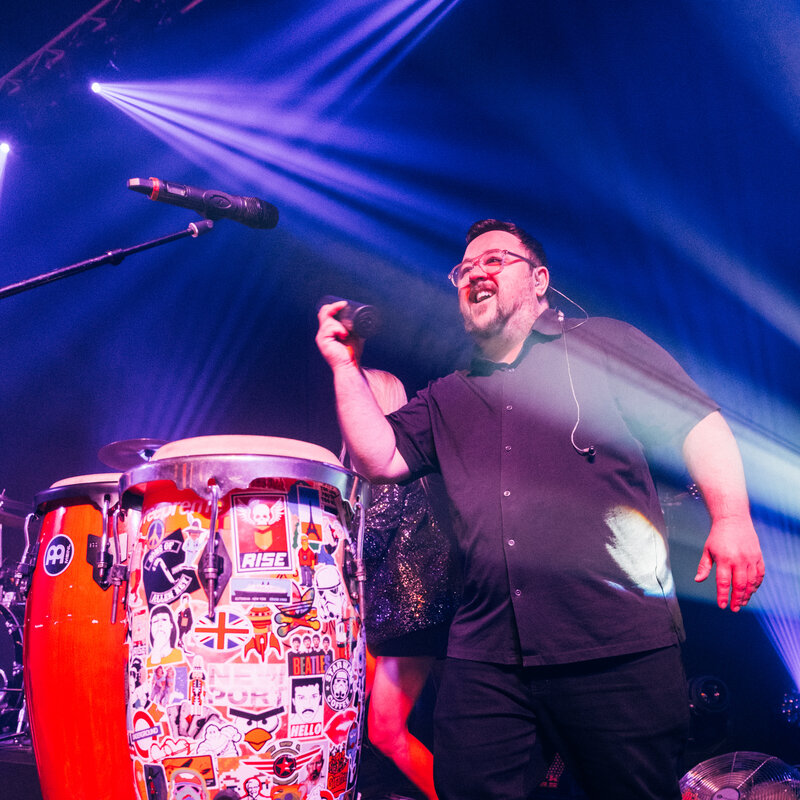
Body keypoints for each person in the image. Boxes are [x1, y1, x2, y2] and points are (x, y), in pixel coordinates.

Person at [316, 219, 765, 800]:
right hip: (487, 656)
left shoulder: (603, 344)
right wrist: (344, 366)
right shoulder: (449, 395)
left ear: (539, 280)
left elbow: (695, 422)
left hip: (614, 644)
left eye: (495, 260)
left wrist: (731, 518)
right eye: (464, 269)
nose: (475, 273)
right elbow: (378, 456)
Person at [350, 367, 460, 800]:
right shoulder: (421, 463)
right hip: (431, 608)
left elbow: (372, 535)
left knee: (384, 730)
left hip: (410, 611)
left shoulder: (385, 465)